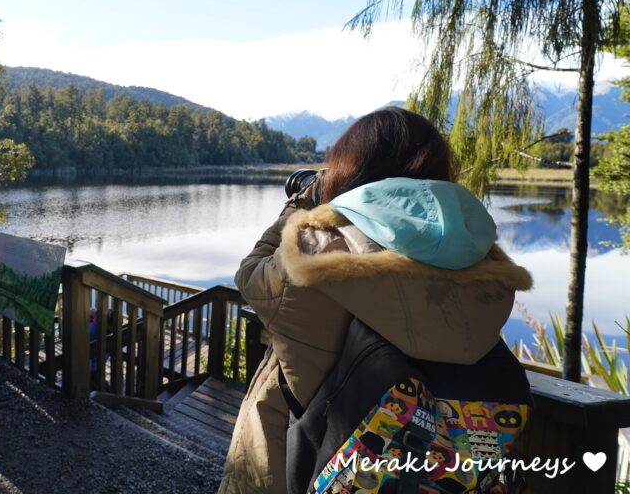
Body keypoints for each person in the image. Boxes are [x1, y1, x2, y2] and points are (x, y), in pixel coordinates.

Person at [218, 107, 533, 494]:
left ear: (349, 174)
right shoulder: (481, 271)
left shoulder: (318, 253)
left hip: (310, 472)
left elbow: (250, 274)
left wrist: (306, 202)